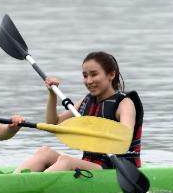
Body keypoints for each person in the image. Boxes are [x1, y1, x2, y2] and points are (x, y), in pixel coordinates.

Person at [15, 51, 143, 173]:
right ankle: (15, 180)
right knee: (44, 152)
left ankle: (32, 185)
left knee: (66, 161)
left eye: (94, 74)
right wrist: (52, 94)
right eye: (85, 75)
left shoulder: (125, 104)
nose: (89, 81)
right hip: (90, 163)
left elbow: (124, 138)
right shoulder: (86, 101)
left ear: (111, 75)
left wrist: (95, 130)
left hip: (117, 167)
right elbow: (53, 124)